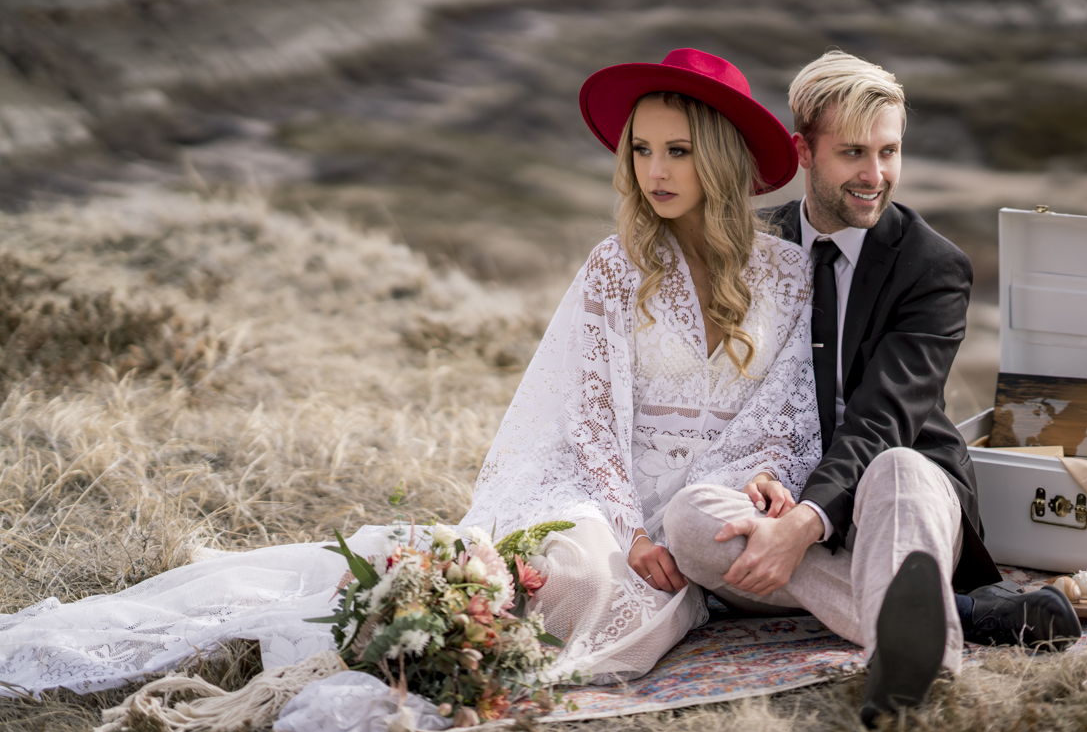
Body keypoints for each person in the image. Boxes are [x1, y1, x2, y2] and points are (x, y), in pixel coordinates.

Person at [0, 48, 820, 696]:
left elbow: (783, 416)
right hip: (605, 498)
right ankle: (415, 636)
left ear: (717, 156)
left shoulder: (788, 275)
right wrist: (632, 532)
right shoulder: (616, 266)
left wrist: (724, 500)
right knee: (571, 576)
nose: (656, 170)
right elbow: (591, 419)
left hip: (703, 508)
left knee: (661, 599)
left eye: (678, 150)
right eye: (641, 150)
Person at [664, 51, 1082, 727]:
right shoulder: (747, 246)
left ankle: (917, 674)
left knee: (895, 468)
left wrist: (801, 527)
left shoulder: (932, 267)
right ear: (803, 151)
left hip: (903, 495)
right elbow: (722, 397)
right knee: (689, 519)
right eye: (853, 152)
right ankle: (955, 616)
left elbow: (883, 418)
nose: (876, 175)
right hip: (785, 493)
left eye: (889, 152)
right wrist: (758, 475)